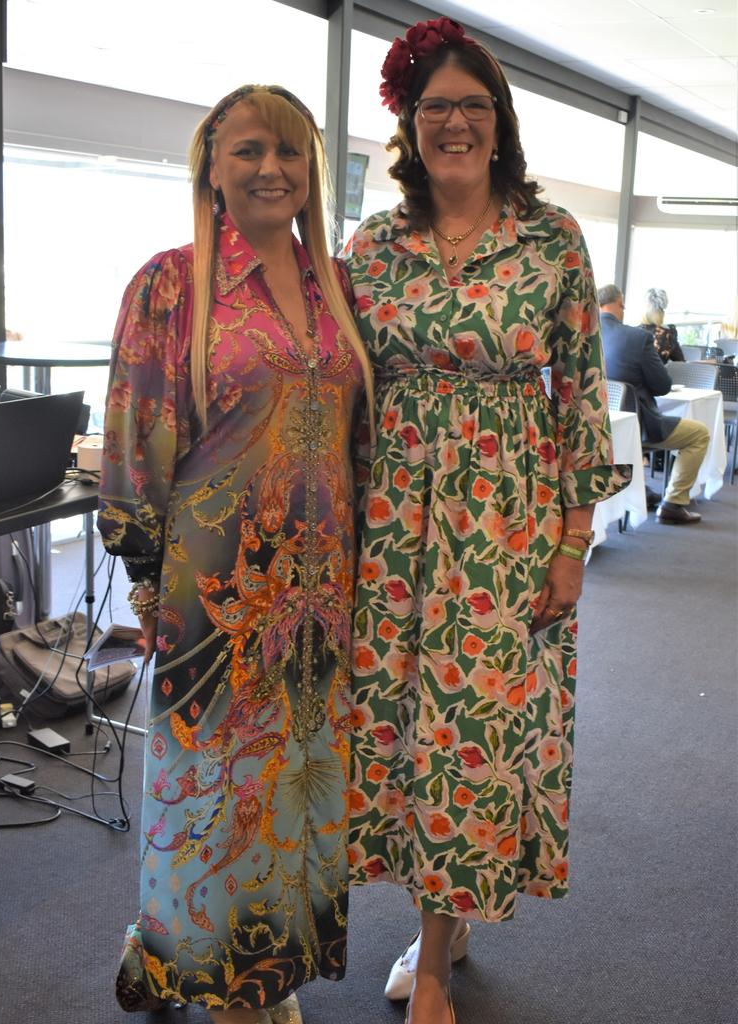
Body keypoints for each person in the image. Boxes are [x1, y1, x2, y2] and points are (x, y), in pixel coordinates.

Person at [343, 18, 629, 1024]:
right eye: (436, 108)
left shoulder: (553, 240)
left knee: (468, 732)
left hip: (504, 524)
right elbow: (332, 384)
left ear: (499, 122)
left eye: (473, 105)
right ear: (409, 125)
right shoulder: (372, 246)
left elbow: (583, 395)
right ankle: (436, 922)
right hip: (388, 522)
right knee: (394, 727)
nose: (454, 122)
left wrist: (572, 538)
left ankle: (430, 959)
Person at [98, 84, 373, 1024]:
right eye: (249, 150)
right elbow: (139, 440)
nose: (271, 169)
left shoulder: (338, 290)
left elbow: (359, 444)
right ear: (211, 166)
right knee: (206, 791)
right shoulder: (172, 284)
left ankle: (252, 966)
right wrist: (142, 581)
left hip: (320, 594)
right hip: (215, 591)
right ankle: (214, 979)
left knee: (297, 786)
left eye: (290, 152)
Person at [599, 284, 709, 525]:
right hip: (636, 426)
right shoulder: (637, 338)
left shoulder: (582, 335)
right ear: (619, 304)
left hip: (594, 427)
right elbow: (662, 386)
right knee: (699, 434)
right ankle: (673, 503)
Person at [638, 287, 684, 363]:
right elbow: (680, 361)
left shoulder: (633, 332)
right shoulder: (668, 334)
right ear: (662, 311)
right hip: (657, 374)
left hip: (631, 374)